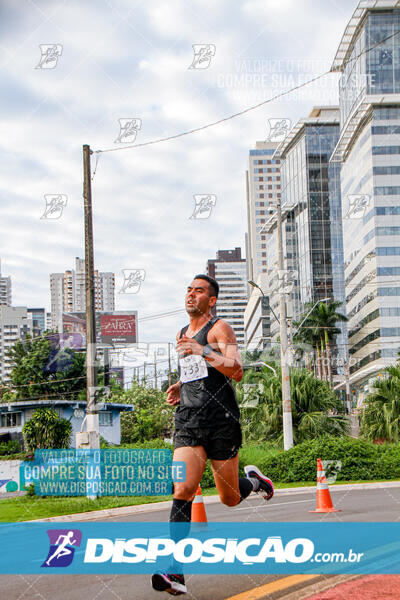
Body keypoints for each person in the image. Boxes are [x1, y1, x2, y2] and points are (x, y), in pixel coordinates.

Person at [152, 275, 274, 596]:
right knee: (184, 487)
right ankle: (175, 572)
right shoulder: (181, 333)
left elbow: (236, 368)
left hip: (221, 421)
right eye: (189, 289)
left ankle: (257, 482)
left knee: (229, 498)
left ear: (212, 300)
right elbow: (196, 373)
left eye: (199, 290)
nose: (191, 294)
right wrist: (180, 386)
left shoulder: (220, 329)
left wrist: (201, 349)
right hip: (189, 421)